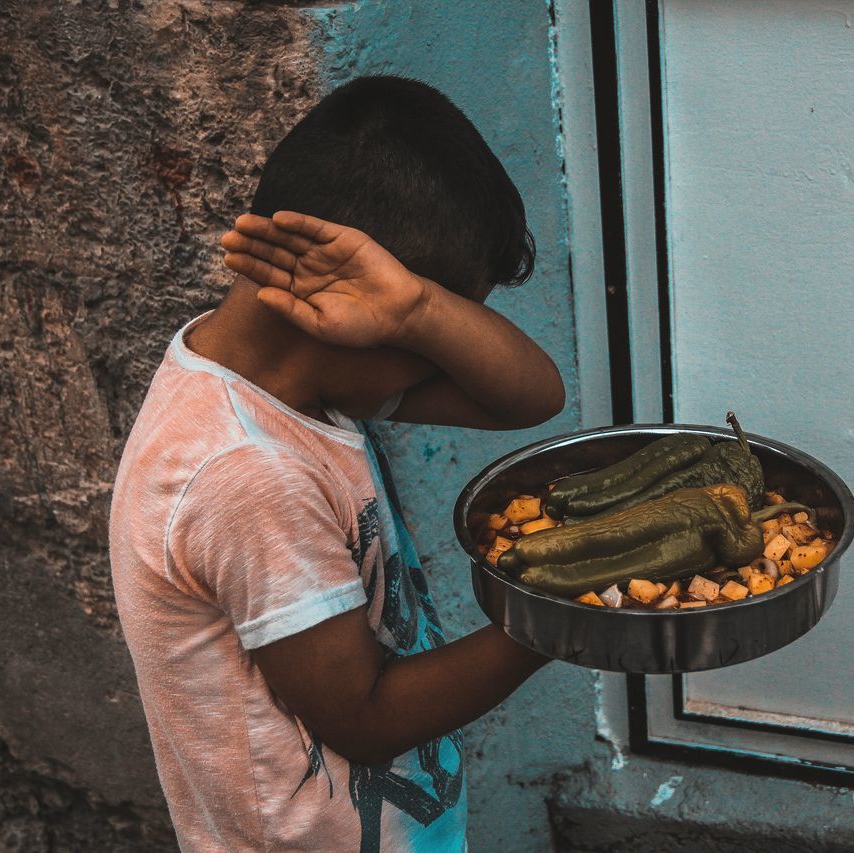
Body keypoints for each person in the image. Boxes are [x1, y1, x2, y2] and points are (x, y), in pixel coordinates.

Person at [108, 75, 564, 852]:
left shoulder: (290, 381)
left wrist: (420, 311)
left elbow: (529, 398)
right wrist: (566, 619)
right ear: (348, 327)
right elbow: (366, 716)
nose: (438, 362)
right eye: (424, 342)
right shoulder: (247, 472)